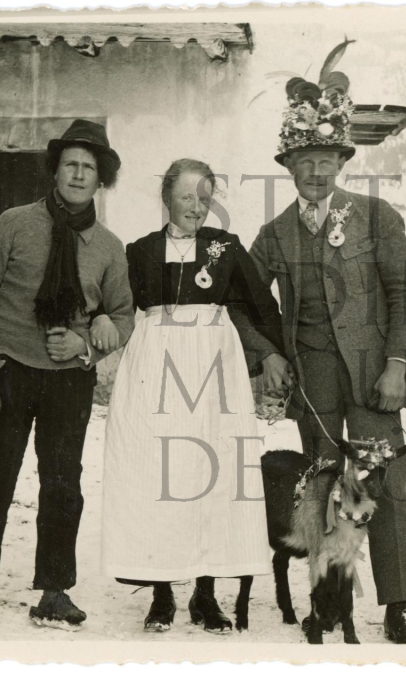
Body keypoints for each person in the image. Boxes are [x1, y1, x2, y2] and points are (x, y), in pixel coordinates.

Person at [235, 65, 406, 644]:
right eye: (305, 161)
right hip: (312, 379)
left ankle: (398, 607)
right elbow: (240, 300)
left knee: (381, 487)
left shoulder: (376, 216)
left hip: (375, 377)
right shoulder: (274, 234)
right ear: (289, 167)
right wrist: (268, 356)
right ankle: (328, 606)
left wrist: (397, 365)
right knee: (323, 491)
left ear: (342, 162)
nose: (316, 171)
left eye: (326, 159)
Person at [0, 119, 134, 637]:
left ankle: (54, 591)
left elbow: (123, 314)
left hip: (69, 380)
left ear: (101, 178)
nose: (78, 174)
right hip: (6, 370)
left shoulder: (109, 246)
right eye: (70, 164)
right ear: (55, 170)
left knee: (63, 485)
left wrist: (88, 343)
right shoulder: (14, 223)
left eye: (88, 167)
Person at [98, 159, 285, 633]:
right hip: (155, 365)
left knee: (210, 472)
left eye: (204, 198)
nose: (196, 207)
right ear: (167, 198)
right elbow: (115, 306)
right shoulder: (139, 251)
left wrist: (275, 355)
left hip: (214, 365)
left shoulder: (226, 247)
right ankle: (161, 593)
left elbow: (261, 306)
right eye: (186, 197)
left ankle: (206, 593)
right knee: (160, 472)